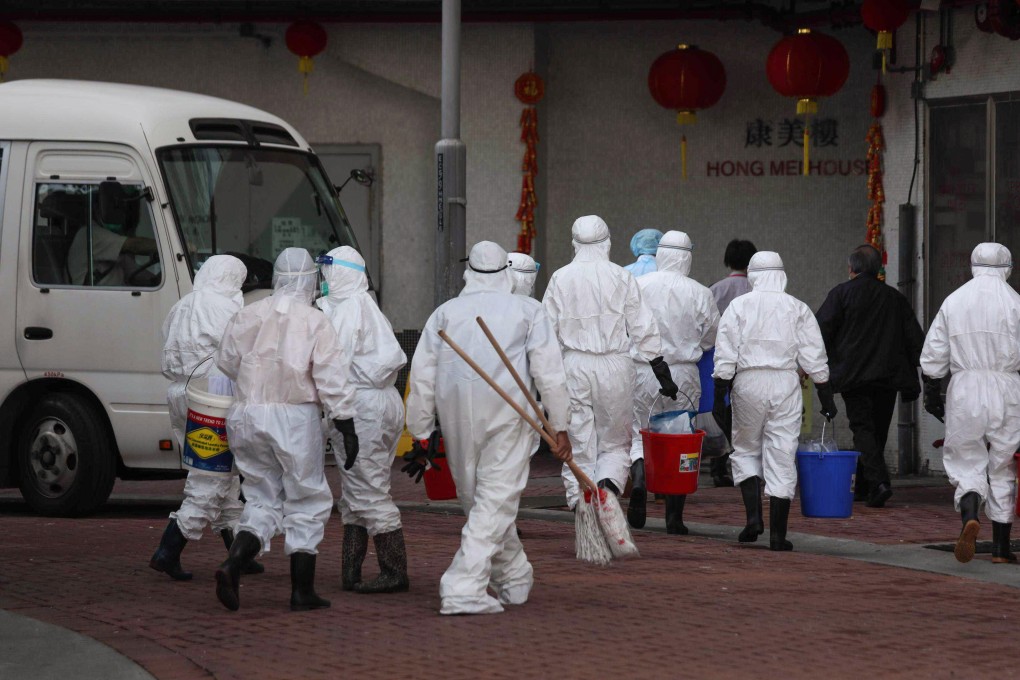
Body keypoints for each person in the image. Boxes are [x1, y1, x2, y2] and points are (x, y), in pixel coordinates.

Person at [405, 241, 573, 615]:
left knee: (483, 501)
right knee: (491, 501)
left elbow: (422, 376)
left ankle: (513, 576)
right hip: (508, 417)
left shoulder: (445, 313)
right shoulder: (527, 310)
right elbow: (549, 373)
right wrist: (561, 425)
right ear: (505, 272)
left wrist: (420, 430)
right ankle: (463, 589)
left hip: (459, 419)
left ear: (469, 270)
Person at [213, 247, 359, 612]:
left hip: (247, 413)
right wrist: (345, 422)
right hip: (294, 417)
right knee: (306, 499)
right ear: (311, 280)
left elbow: (226, 361)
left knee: (261, 496)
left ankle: (233, 563)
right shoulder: (315, 321)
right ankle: (301, 591)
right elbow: (331, 376)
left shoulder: (247, 314)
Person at [543, 215, 678, 511]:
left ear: (574, 243)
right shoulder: (621, 276)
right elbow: (642, 324)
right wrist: (658, 366)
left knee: (578, 441)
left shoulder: (560, 278)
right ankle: (607, 490)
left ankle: (581, 504)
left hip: (573, 366)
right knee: (616, 442)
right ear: (607, 242)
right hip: (615, 365)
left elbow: (546, 333)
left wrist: (543, 378)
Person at [150, 255, 265, 581]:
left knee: (223, 476)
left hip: (181, 393)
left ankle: (239, 554)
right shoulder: (225, 308)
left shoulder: (182, 305)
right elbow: (245, 354)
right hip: (212, 397)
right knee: (209, 479)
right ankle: (168, 550)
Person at [712, 251, 836, 552]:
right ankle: (778, 535)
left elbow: (725, 352)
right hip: (785, 383)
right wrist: (826, 395)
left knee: (745, 448)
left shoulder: (739, 306)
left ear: (753, 275)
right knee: (782, 450)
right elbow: (814, 355)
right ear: (782, 275)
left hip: (748, 381)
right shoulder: (797, 307)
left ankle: (753, 519)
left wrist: (719, 394)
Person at [316, 246, 410, 594]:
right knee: (360, 487)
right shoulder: (364, 305)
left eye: (327, 271)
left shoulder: (348, 310)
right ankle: (351, 571)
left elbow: (332, 365)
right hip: (381, 402)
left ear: (340, 272)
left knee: (368, 490)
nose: (323, 278)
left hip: (361, 406)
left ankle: (394, 571)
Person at [920, 242, 1020, 565]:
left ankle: (970, 517)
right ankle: (1001, 549)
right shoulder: (1016, 303)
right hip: (1007, 387)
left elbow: (933, 354)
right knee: (1003, 465)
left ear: (974, 265)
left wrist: (931, 391)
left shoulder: (955, 300)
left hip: (965, 388)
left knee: (966, 459)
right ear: (1007, 267)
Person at [816, 244, 925, 508]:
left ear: (851, 268)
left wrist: (817, 364)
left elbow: (820, 331)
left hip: (854, 376)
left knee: (863, 428)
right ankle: (865, 486)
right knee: (878, 430)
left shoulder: (841, 294)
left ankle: (878, 483)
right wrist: (925, 372)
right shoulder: (894, 298)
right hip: (888, 376)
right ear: (878, 269)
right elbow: (915, 338)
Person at [627, 230, 719, 532]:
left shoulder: (639, 285)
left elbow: (625, 327)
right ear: (687, 257)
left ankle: (639, 480)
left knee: (639, 431)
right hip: (683, 372)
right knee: (681, 440)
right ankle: (674, 517)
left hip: (642, 369)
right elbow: (711, 336)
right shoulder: (701, 292)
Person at [703, 239, 758, 486]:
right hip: (752, 362)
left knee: (722, 414)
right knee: (748, 416)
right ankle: (749, 468)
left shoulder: (715, 289)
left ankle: (719, 469)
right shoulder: (758, 290)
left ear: (728, 260)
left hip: (721, 360)